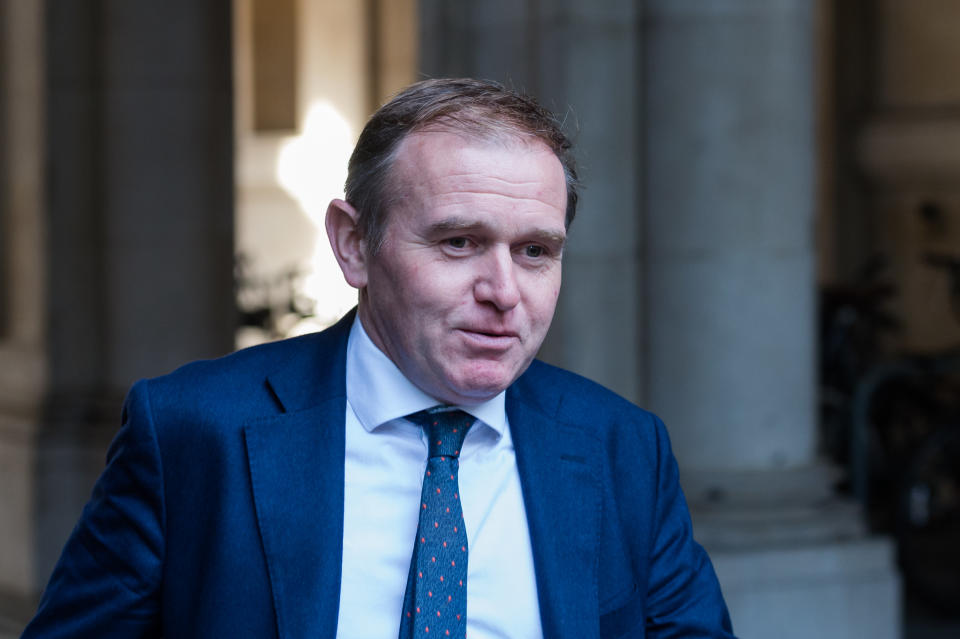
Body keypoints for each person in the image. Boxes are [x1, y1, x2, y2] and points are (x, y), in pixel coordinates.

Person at [22, 78, 734, 638]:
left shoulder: (622, 447)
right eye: (458, 242)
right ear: (354, 244)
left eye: (535, 251)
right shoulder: (189, 432)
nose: (503, 292)